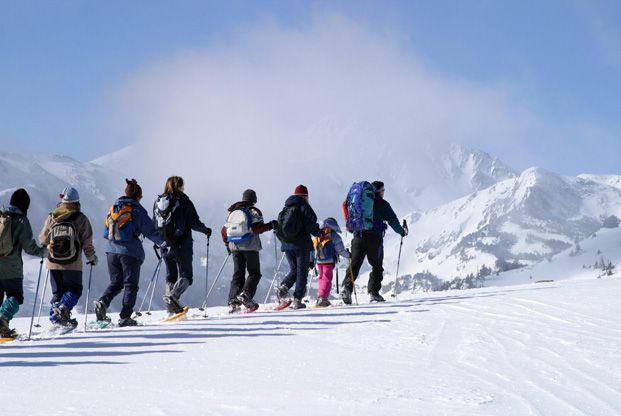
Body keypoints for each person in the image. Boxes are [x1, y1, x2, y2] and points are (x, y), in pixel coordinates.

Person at [94, 179, 165, 326]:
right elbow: (150, 230)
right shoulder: (136, 210)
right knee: (130, 285)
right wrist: (163, 243)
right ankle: (125, 317)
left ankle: (103, 302)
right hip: (130, 252)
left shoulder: (114, 208)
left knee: (116, 283)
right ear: (138, 196)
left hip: (111, 251)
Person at [39, 187, 97, 328]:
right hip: (73, 263)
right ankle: (64, 309)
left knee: (57, 292)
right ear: (77, 201)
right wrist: (92, 257)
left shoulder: (52, 216)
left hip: (53, 262)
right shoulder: (80, 218)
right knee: (75, 289)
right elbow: (87, 242)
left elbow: (43, 239)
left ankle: (55, 318)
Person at [342, 181, 407, 304]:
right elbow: (392, 220)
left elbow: (346, 207)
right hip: (374, 239)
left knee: (355, 265)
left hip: (358, 236)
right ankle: (373, 293)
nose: (384, 193)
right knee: (377, 266)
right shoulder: (383, 204)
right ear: (380, 191)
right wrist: (401, 232)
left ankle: (346, 288)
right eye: (383, 190)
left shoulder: (361, 201)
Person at [154, 176, 211, 314]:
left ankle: (170, 306)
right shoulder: (183, 200)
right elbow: (194, 221)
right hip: (181, 244)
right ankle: (172, 297)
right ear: (180, 186)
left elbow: (153, 222)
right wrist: (206, 230)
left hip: (164, 245)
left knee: (171, 276)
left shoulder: (159, 201)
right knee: (186, 276)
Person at [221, 189, 277, 313]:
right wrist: (271, 225)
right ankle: (246, 295)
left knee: (238, 275)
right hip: (250, 247)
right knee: (254, 273)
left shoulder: (233, 211)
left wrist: (227, 244)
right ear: (254, 200)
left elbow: (224, 230)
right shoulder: (253, 211)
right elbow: (257, 228)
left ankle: (233, 301)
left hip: (234, 246)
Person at [0, 189, 47, 337]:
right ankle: (3, 319)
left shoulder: (1, 216)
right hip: (12, 268)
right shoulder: (21, 220)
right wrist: (44, 252)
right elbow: (29, 247)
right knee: (15, 296)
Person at [275, 185, 320, 309]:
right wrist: (319, 232)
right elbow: (311, 225)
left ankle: (283, 288)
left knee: (294, 270)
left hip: (287, 244)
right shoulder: (305, 206)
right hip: (301, 245)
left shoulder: (287, 207)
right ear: (306, 196)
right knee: (302, 272)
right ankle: (297, 300)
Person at [311, 217, 350, 307]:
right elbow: (340, 250)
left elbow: (312, 248)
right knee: (327, 279)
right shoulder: (334, 236)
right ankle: (323, 298)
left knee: (321, 278)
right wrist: (348, 255)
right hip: (329, 261)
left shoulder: (317, 234)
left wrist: (311, 260)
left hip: (319, 261)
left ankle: (320, 297)